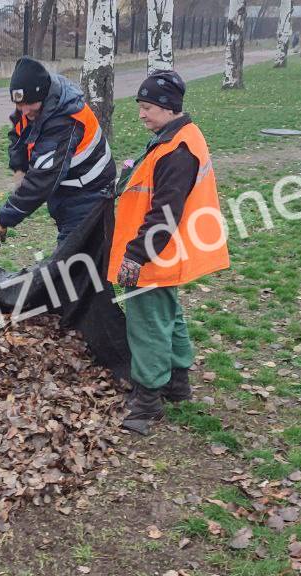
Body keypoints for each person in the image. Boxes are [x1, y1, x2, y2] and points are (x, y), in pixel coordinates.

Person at [108, 71, 231, 435]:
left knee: (147, 325)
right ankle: (178, 384)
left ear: (168, 107)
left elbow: (164, 213)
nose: (141, 114)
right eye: (141, 107)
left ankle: (147, 403)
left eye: (147, 107)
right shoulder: (177, 138)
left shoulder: (177, 151)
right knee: (170, 317)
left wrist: (135, 255)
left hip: (155, 255)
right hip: (168, 252)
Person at [0, 57, 117, 250]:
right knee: (76, 264)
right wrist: (19, 169)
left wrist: (1, 222)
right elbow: (19, 135)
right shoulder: (32, 105)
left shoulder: (65, 120)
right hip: (68, 188)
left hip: (90, 192)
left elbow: (41, 182)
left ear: (43, 95)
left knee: (72, 261)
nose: (25, 110)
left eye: (30, 104)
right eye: (20, 105)